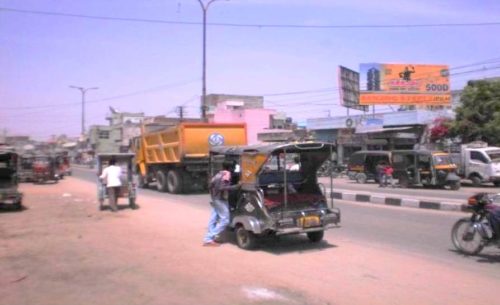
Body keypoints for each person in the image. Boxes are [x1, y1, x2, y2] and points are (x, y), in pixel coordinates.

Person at [203, 161, 239, 247]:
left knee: (213, 218)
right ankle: (209, 237)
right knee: (225, 219)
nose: (234, 169)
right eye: (234, 168)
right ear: (230, 168)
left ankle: (208, 239)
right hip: (220, 199)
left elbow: (210, 186)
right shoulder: (226, 175)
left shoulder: (218, 174)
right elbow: (222, 187)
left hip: (216, 198)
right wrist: (235, 187)